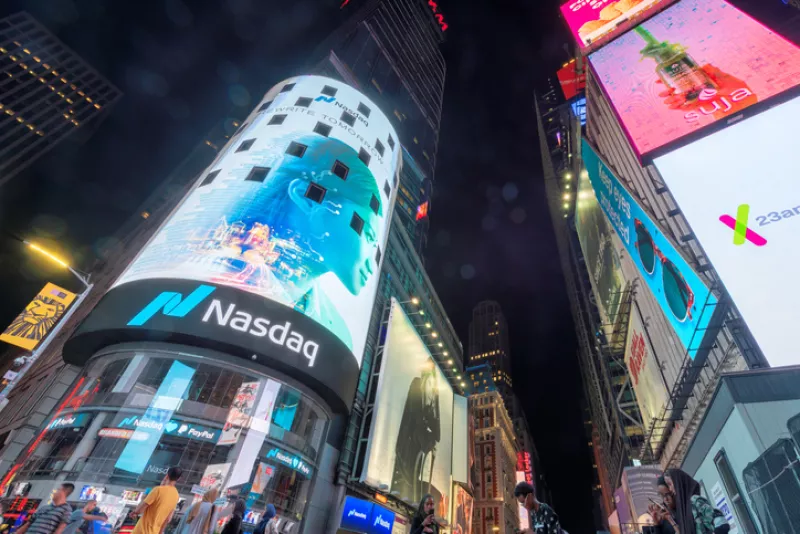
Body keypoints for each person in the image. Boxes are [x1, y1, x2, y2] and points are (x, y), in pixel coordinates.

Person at [392, 365, 441, 502]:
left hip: (421, 441)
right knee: (406, 465)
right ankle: (400, 489)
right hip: (410, 436)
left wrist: (430, 428)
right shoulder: (417, 384)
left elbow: (437, 430)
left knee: (415, 469)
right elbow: (414, 411)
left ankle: (410, 495)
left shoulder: (434, 397)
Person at [654, 469, 730, 534]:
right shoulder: (682, 511)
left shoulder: (694, 500)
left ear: (679, 482)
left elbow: (720, 522)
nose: (670, 489)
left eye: (670, 484)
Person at [130, 467, 182, 534]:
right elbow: (168, 519)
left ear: (167, 475)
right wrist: (160, 532)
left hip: (142, 530)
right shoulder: (176, 495)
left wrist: (135, 512)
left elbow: (140, 510)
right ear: (179, 479)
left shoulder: (158, 490)